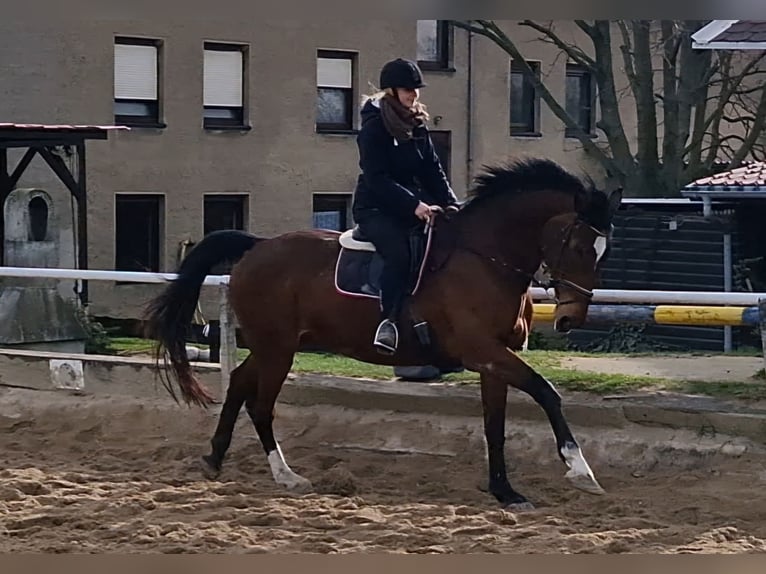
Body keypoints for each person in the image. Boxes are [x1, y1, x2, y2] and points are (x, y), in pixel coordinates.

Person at [351, 57, 458, 354]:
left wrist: (450, 203)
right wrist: (414, 205)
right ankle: (388, 322)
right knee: (398, 253)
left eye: (416, 89)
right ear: (391, 91)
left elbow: (433, 170)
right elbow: (377, 178)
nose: (414, 94)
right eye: (407, 89)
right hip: (376, 209)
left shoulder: (417, 124)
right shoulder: (374, 129)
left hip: (413, 205)